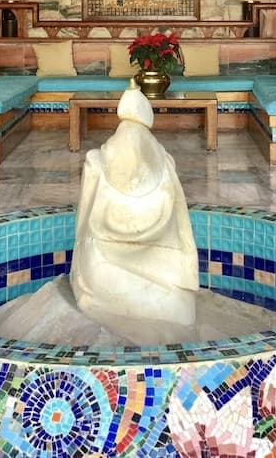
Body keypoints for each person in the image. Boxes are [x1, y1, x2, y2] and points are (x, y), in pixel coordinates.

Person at [70, 81, 199, 343]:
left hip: (101, 272)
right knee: (180, 309)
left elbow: (81, 227)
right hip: (163, 274)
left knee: (91, 281)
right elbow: (182, 229)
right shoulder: (166, 162)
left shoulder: (96, 161)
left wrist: (78, 265)